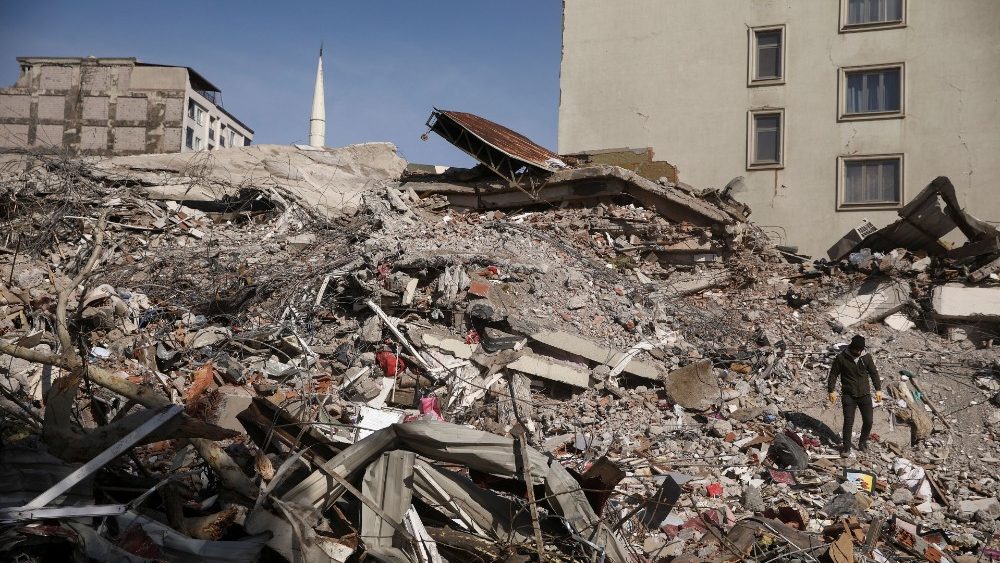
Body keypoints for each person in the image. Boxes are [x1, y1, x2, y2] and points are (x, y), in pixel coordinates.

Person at [827, 335, 883, 457]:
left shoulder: (866, 357)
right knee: (848, 422)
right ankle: (846, 448)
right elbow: (833, 374)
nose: (858, 352)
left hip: (864, 394)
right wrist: (831, 390)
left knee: (868, 421)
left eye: (860, 350)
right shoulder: (841, 358)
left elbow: (873, 373)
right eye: (856, 350)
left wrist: (878, 389)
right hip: (849, 395)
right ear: (852, 347)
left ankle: (862, 443)